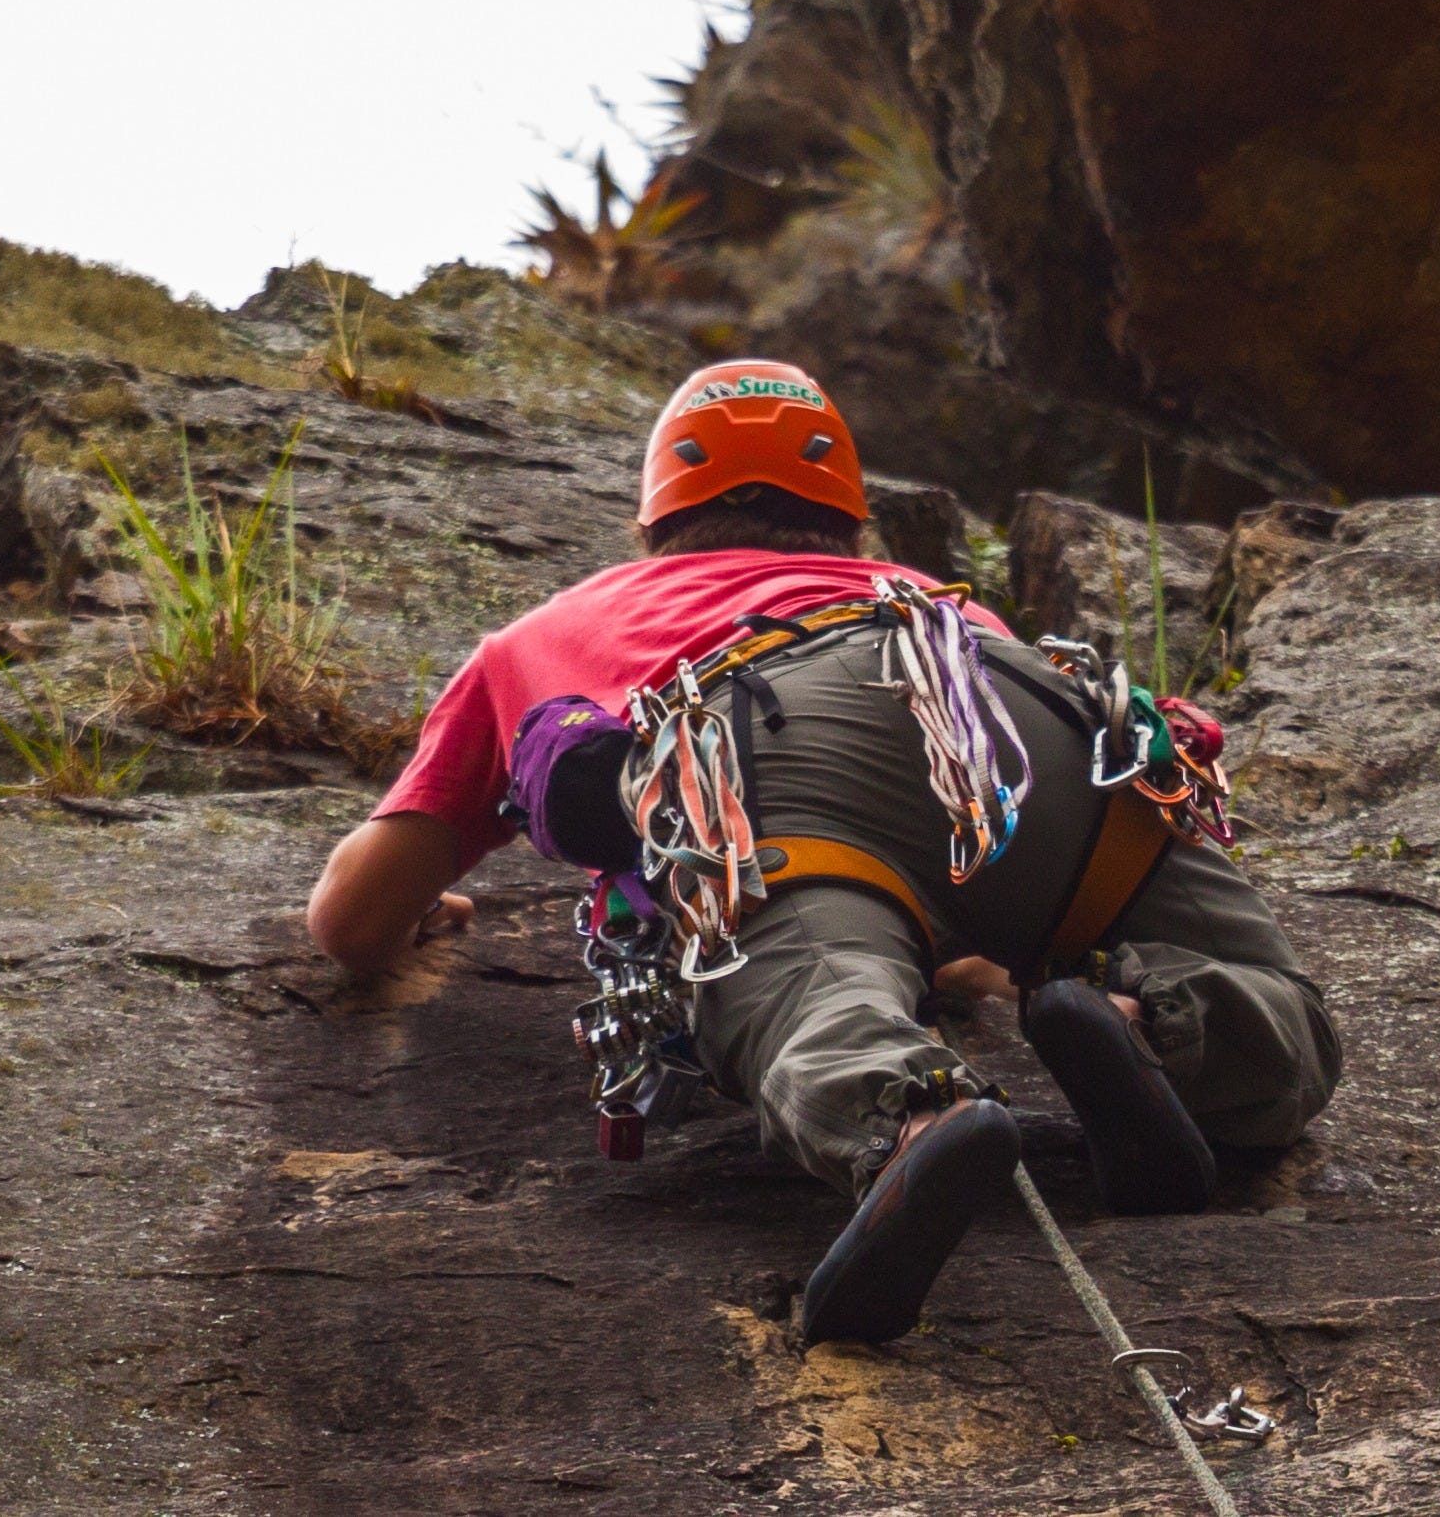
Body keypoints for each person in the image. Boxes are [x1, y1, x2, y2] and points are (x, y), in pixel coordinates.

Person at [308, 360, 1344, 1345]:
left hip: (771, 731)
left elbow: (350, 920)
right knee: (1260, 984)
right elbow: (957, 891)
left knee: (811, 972)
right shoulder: (927, 585)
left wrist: (422, 915)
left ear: (651, 519)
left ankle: (907, 1115)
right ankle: (1148, 1024)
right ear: (849, 516)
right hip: (999, 694)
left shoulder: (553, 626)